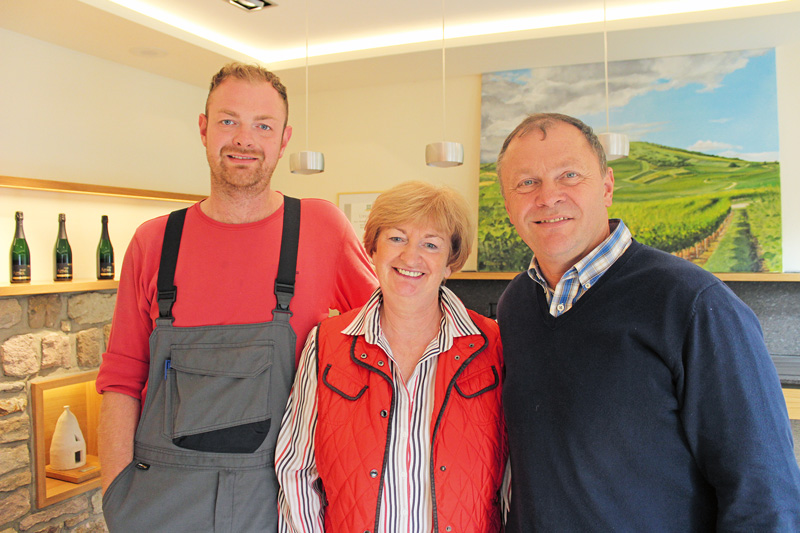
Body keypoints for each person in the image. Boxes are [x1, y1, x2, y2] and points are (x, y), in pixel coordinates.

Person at [96, 62, 377, 532]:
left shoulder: (320, 228)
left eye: (262, 125)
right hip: (160, 501)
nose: (244, 139)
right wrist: (117, 496)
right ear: (204, 130)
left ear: (283, 139)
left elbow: (386, 341)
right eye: (229, 121)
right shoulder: (153, 242)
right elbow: (121, 379)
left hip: (281, 501)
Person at [496, 112, 800, 531]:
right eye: (526, 182)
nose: (548, 197)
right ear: (508, 204)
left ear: (606, 186)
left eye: (569, 175)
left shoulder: (693, 303)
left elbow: (766, 496)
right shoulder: (515, 306)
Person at [276, 181, 507, 532]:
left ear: (450, 263)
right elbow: (296, 469)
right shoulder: (326, 342)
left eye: (431, 244)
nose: (410, 257)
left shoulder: (492, 344)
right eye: (397, 238)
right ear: (373, 249)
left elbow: (513, 475)